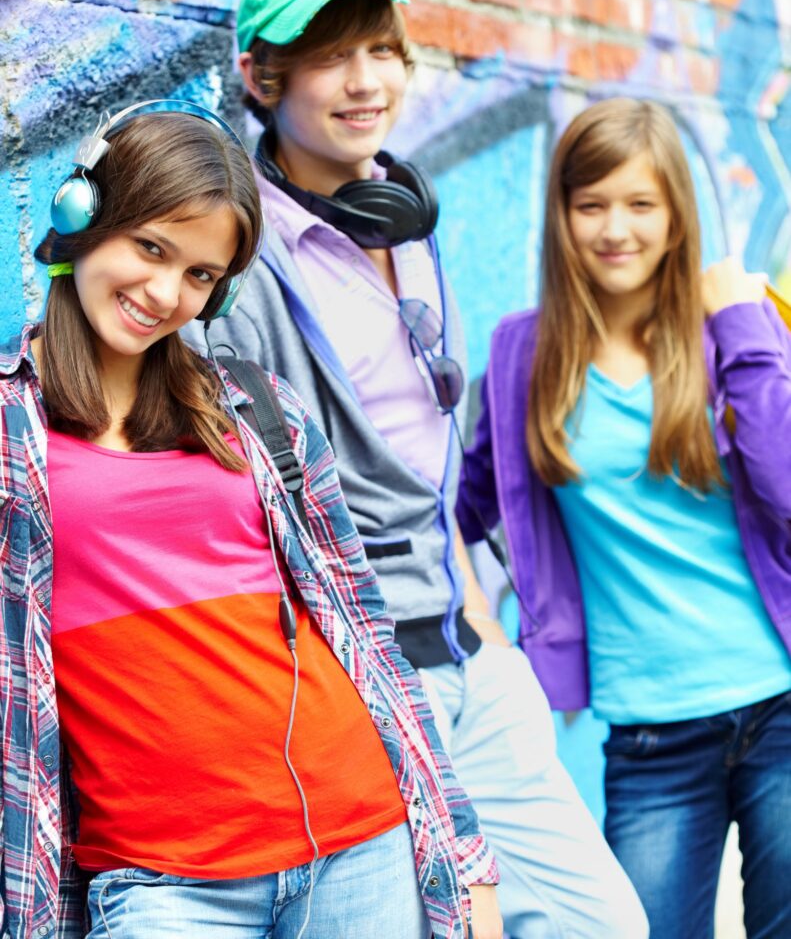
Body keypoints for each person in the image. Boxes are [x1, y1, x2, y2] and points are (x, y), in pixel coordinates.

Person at [184, 0, 648, 939]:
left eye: (384, 51)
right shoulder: (241, 267)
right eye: (330, 57)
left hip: (470, 654)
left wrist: (480, 619)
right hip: (361, 682)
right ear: (261, 79)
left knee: (597, 920)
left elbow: (429, 462)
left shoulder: (404, 215)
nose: (367, 82)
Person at [0, 101, 501, 939]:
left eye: (200, 276)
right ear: (83, 214)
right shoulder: (14, 431)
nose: (164, 294)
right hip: (164, 885)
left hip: (358, 844)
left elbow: (364, 634)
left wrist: (462, 857)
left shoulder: (257, 412)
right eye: (151, 248)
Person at [457, 96, 791, 939]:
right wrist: (475, 620)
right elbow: (454, 508)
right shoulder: (523, 354)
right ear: (561, 215)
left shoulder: (729, 332)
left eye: (640, 204)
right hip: (648, 733)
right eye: (590, 204)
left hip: (781, 704)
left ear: (675, 217)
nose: (615, 229)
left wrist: (743, 323)